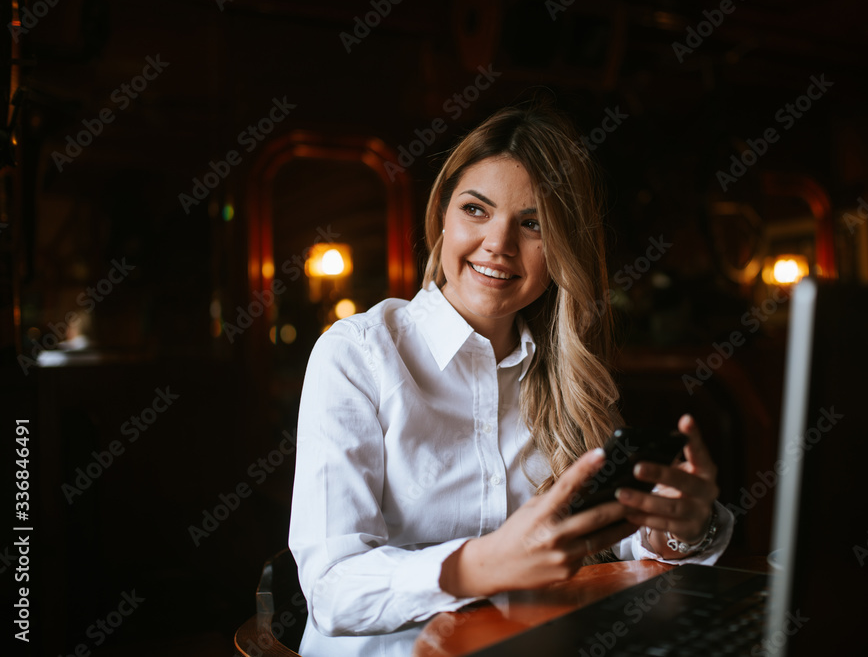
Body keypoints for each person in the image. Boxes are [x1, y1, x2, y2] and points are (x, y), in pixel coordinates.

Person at [289, 103, 733, 657]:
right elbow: (331, 590)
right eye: (476, 209)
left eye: (533, 224)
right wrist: (479, 566)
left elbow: (612, 544)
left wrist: (680, 525)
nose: (499, 243)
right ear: (442, 218)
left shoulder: (570, 376)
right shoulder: (357, 354)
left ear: (561, 250)